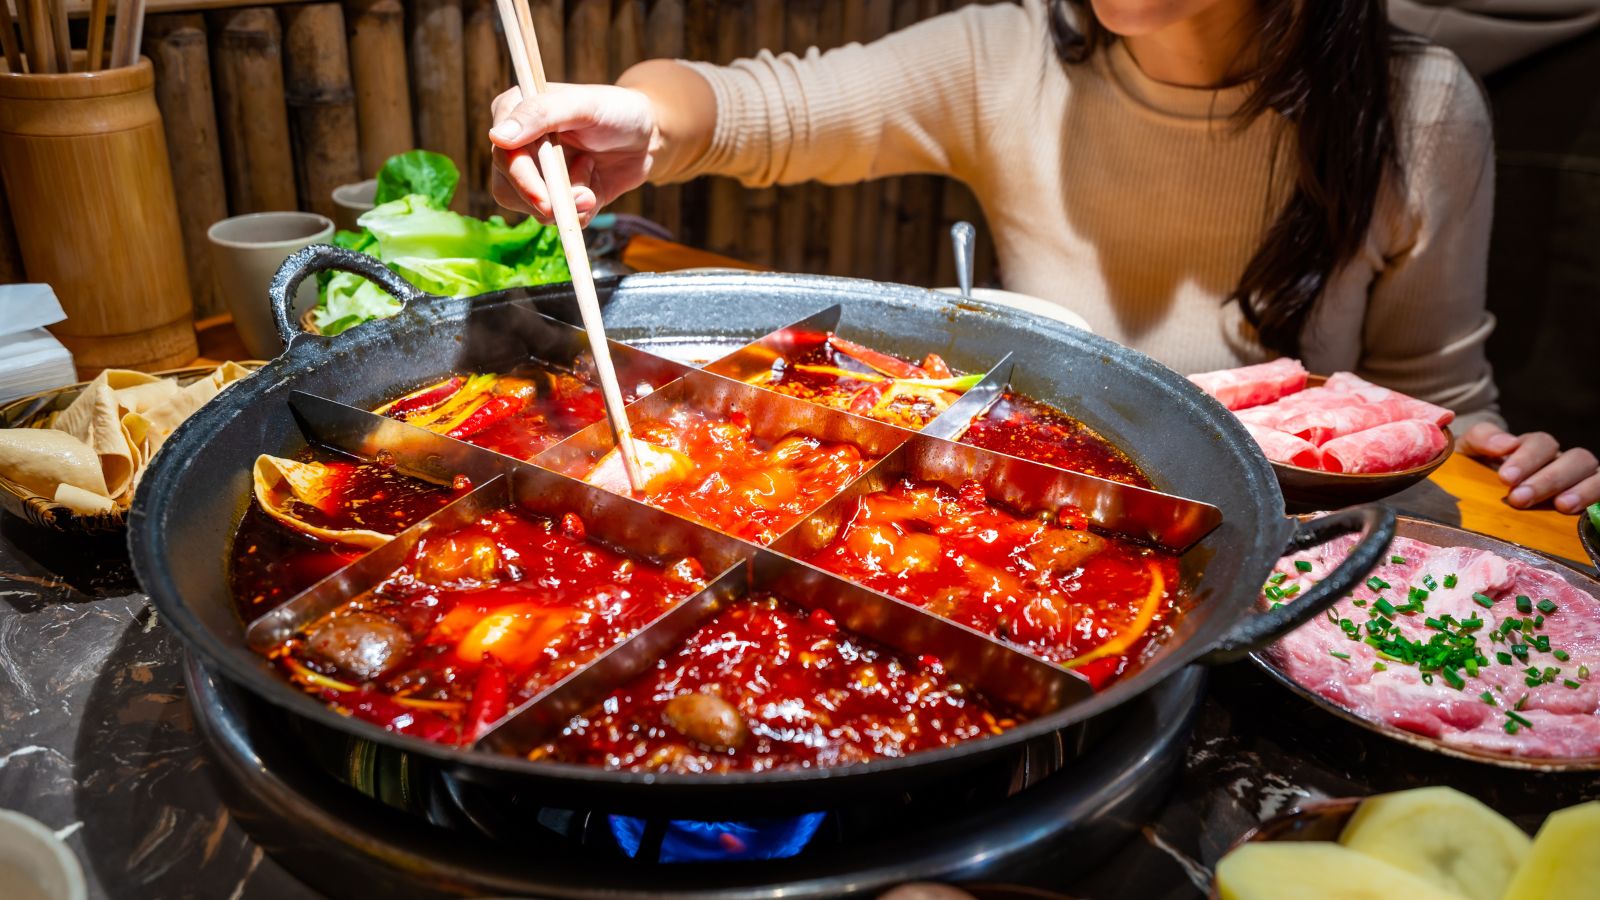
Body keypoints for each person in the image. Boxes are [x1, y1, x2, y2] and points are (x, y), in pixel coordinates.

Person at [487, 0, 1600, 513]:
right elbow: (745, 105)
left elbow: (1433, 403)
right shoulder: (1009, 53)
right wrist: (631, 121)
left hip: (1273, 551)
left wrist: (1526, 472)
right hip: (1022, 499)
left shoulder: (1419, 111)